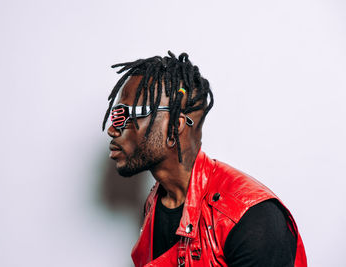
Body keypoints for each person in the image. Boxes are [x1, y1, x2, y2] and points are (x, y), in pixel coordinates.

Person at [103, 51, 307, 267]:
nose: (112, 129)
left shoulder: (251, 219)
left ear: (173, 127)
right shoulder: (155, 201)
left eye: (123, 115)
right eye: (115, 115)